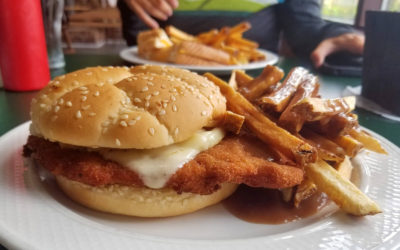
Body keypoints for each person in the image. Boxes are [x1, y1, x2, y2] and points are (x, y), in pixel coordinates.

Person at [117, 0, 364, 68]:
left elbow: (307, 31)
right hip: (164, 75)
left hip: (252, 84)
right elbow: (140, 39)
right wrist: (131, 5)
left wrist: (342, 36)